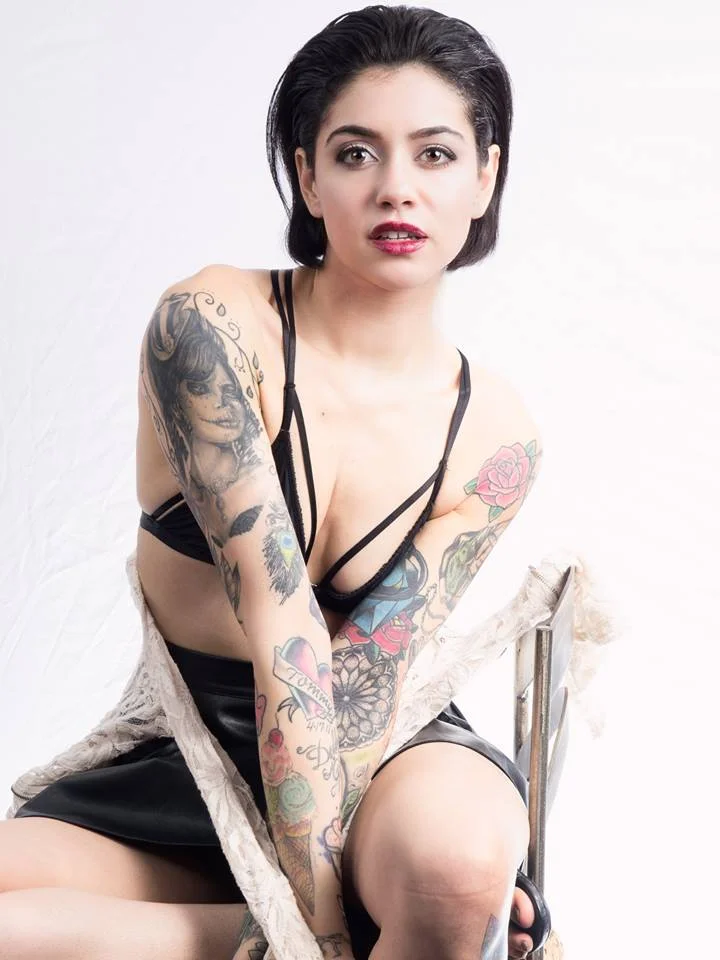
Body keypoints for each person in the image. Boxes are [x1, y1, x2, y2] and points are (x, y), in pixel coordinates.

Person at [1, 6, 552, 959]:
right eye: (355, 153)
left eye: (434, 154)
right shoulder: (211, 325)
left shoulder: (495, 435)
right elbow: (282, 630)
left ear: (484, 177)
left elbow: (365, 680)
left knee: (453, 870)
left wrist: (324, 905)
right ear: (307, 176)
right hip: (190, 754)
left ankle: (421, 912)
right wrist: (317, 934)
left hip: (380, 758)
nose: (395, 189)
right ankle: (331, 936)